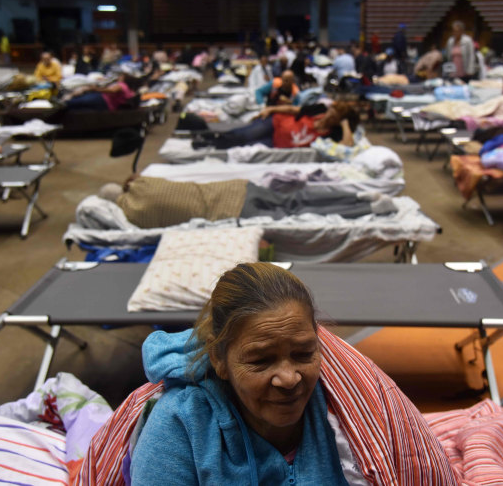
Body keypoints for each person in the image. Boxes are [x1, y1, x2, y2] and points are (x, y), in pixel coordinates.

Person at [128, 262, 457, 484]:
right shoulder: (181, 427)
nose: (289, 378)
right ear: (219, 359)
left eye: (303, 354)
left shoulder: (346, 406)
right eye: (260, 361)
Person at [99, 174, 398, 229]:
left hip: (232, 211)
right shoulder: (144, 181)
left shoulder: (133, 216)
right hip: (235, 189)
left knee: (301, 212)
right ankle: (360, 196)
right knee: (298, 198)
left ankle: (369, 208)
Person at [194, 101, 359, 150]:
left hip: (277, 143)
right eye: (331, 111)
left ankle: (210, 145)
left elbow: (347, 146)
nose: (329, 116)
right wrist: (271, 108)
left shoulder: (333, 133)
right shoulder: (319, 109)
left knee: (246, 146)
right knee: (243, 135)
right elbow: (293, 109)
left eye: (335, 117)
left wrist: (345, 125)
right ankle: (209, 138)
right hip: (275, 123)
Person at [64, 73, 138, 111]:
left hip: (104, 100)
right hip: (107, 104)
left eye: (121, 76)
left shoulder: (122, 85)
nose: (119, 77)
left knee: (80, 101)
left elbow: (112, 90)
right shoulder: (128, 89)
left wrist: (96, 89)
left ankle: (64, 104)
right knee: (81, 103)